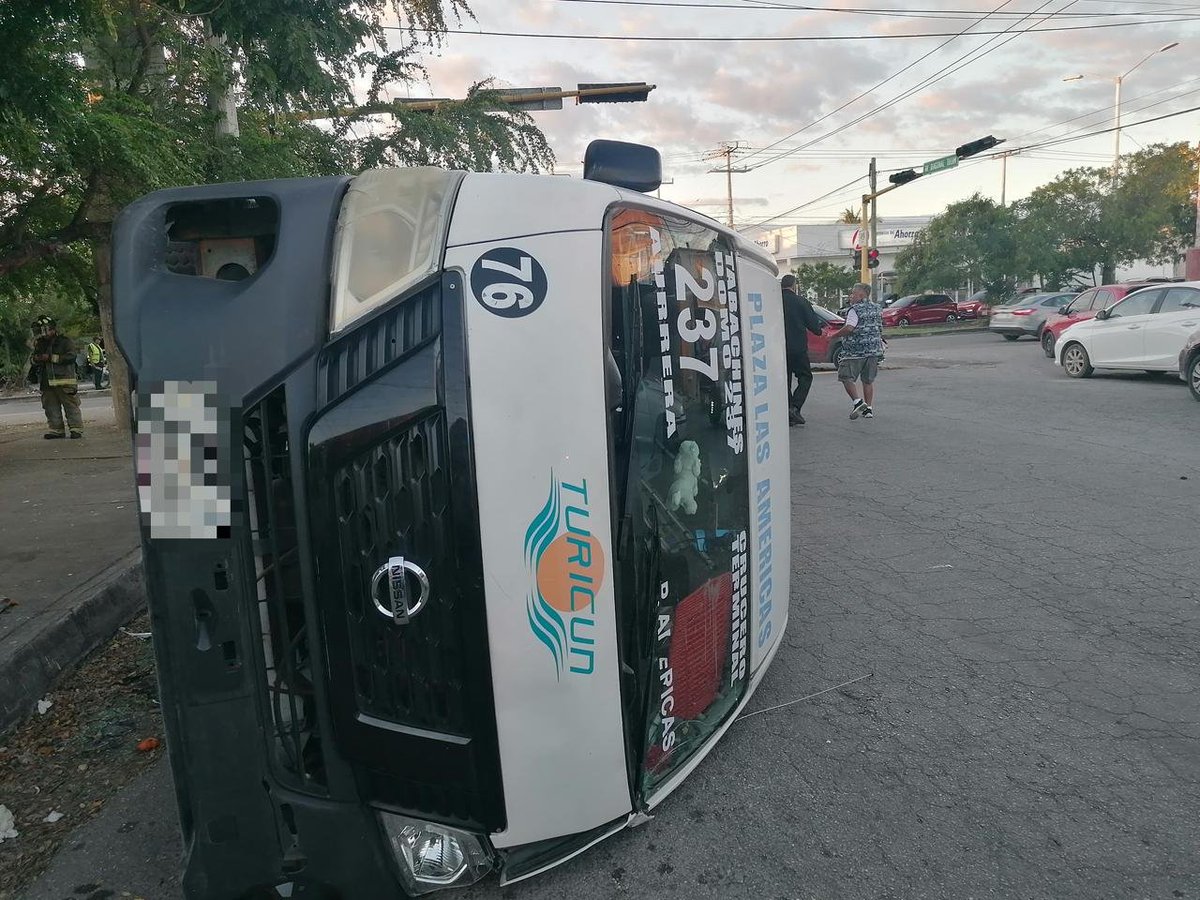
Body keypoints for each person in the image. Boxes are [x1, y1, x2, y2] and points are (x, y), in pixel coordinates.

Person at [830, 283, 884, 420]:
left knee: (845, 376)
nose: (850, 296)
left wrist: (834, 335)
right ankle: (869, 409)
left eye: (853, 293)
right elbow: (879, 327)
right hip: (873, 351)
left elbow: (849, 328)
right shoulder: (877, 308)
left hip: (855, 351)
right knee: (868, 380)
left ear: (861, 295)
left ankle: (857, 402)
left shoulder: (854, 309)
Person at [780, 274, 824, 426]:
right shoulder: (801, 301)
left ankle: (786, 411)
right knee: (805, 377)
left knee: (784, 381)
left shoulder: (773, 300)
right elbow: (814, 326)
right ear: (794, 285)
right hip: (797, 348)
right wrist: (819, 329)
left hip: (777, 348)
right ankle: (795, 407)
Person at [29, 315, 83, 439]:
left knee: (70, 405)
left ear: (52, 329)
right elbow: (33, 360)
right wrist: (36, 359)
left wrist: (51, 358)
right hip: (47, 382)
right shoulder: (40, 344)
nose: (44, 334)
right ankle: (56, 430)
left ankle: (76, 429)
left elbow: (71, 357)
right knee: (50, 406)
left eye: (45, 330)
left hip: (64, 381)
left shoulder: (64, 341)